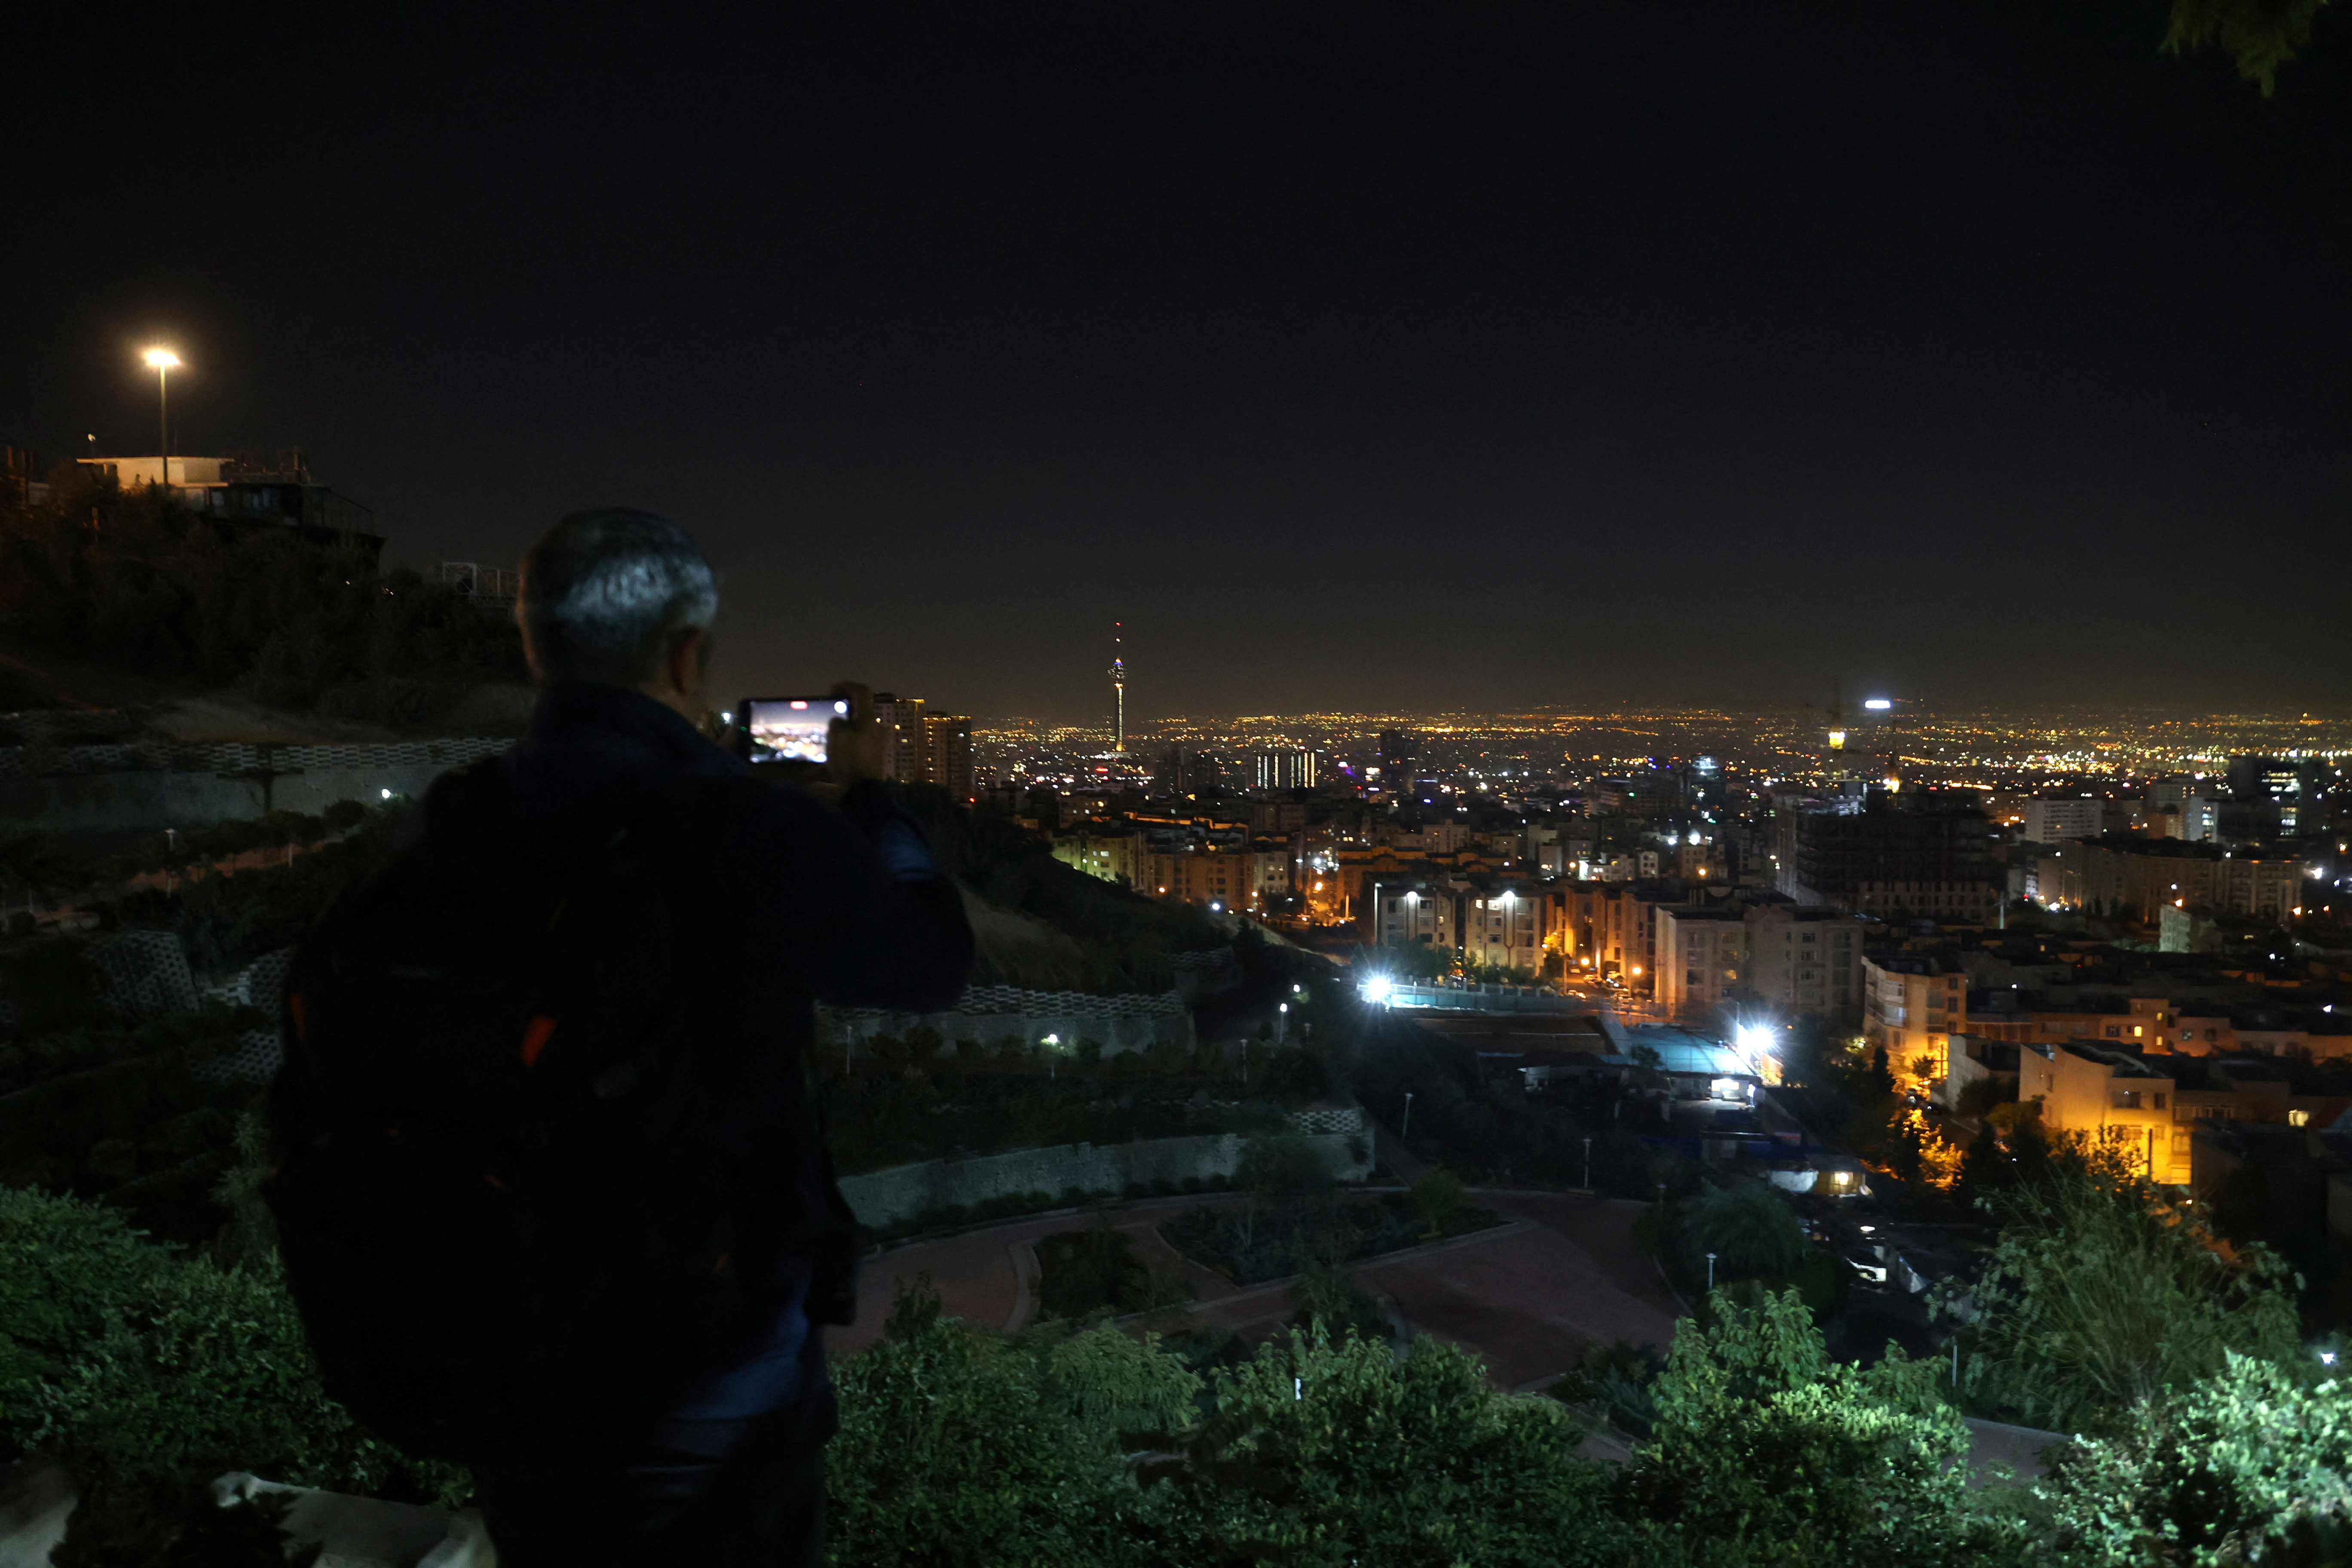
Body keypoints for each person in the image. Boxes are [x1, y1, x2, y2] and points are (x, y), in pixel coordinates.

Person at [456, 508, 973, 1564]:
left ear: (534, 645)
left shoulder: (455, 824)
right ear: (689, 655)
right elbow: (931, 962)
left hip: (508, 1365)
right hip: (712, 1378)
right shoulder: (738, 832)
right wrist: (873, 798)